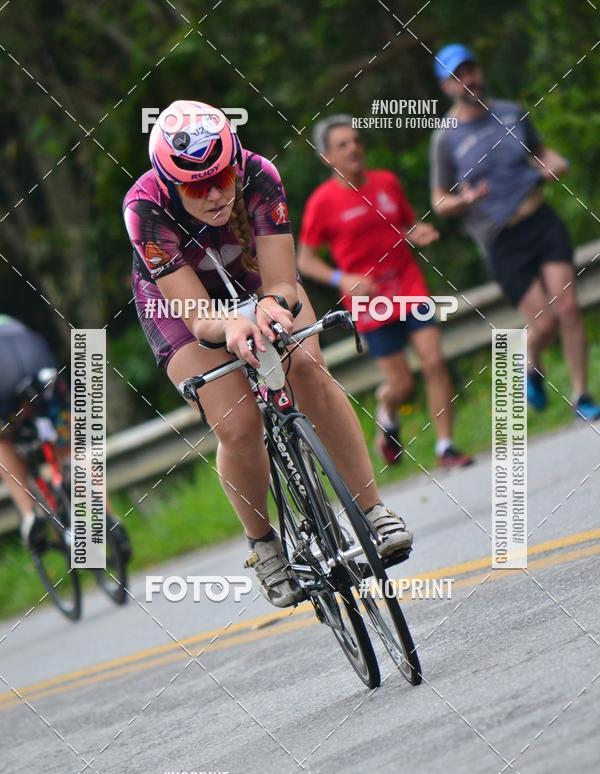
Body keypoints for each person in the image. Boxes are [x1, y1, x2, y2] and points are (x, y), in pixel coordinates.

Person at [122, 100, 414, 608]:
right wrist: (230, 323)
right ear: (170, 185)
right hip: (182, 301)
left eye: (221, 178)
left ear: (236, 163)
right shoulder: (144, 210)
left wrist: (274, 308)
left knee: (307, 367)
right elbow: (197, 317)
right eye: (196, 187)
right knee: (236, 423)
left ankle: (371, 510)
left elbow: (282, 280)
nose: (214, 194)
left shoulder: (259, 175)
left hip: (252, 272)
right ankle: (263, 543)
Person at [430, 44, 600, 421]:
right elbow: (439, 201)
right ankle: (530, 366)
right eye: (458, 76)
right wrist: (464, 199)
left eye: (471, 70)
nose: (469, 80)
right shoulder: (445, 138)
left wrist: (556, 165)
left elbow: (542, 154)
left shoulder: (511, 112)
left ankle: (582, 395)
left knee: (569, 308)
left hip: (541, 221)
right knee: (544, 323)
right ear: (446, 87)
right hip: (501, 240)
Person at [297, 115, 473, 468]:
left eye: (356, 140)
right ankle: (388, 412)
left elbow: (406, 225)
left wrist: (417, 233)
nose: (354, 149)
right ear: (327, 157)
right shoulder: (323, 203)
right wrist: (341, 280)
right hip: (369, 302)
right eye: (343, 145)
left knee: (435, 362)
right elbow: (305, 261)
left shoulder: (387, 182)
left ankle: (445, 448)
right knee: (402, 384)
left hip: (407, 285)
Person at [0, 314, 131, 557]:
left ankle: (30, 516)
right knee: (70, 449)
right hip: (36, 360)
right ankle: (111, 520)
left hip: (4, 375)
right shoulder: (8, 319)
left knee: (2, 439)